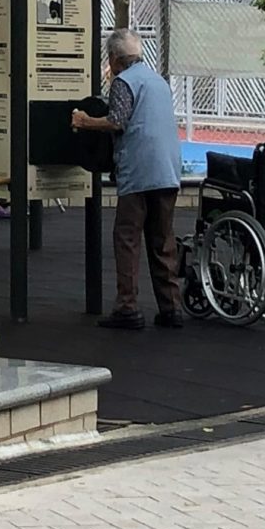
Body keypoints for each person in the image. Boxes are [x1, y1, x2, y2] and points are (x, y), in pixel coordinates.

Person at [72, 28, 182, 330]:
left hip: (139, 171)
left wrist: (85, 121)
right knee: (163, 241)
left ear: (115, 59)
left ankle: (127, 307)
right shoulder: (158, 81)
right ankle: (171, 307)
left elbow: (116, 121)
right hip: (168, 170)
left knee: (127, 238)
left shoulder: (124, 81)